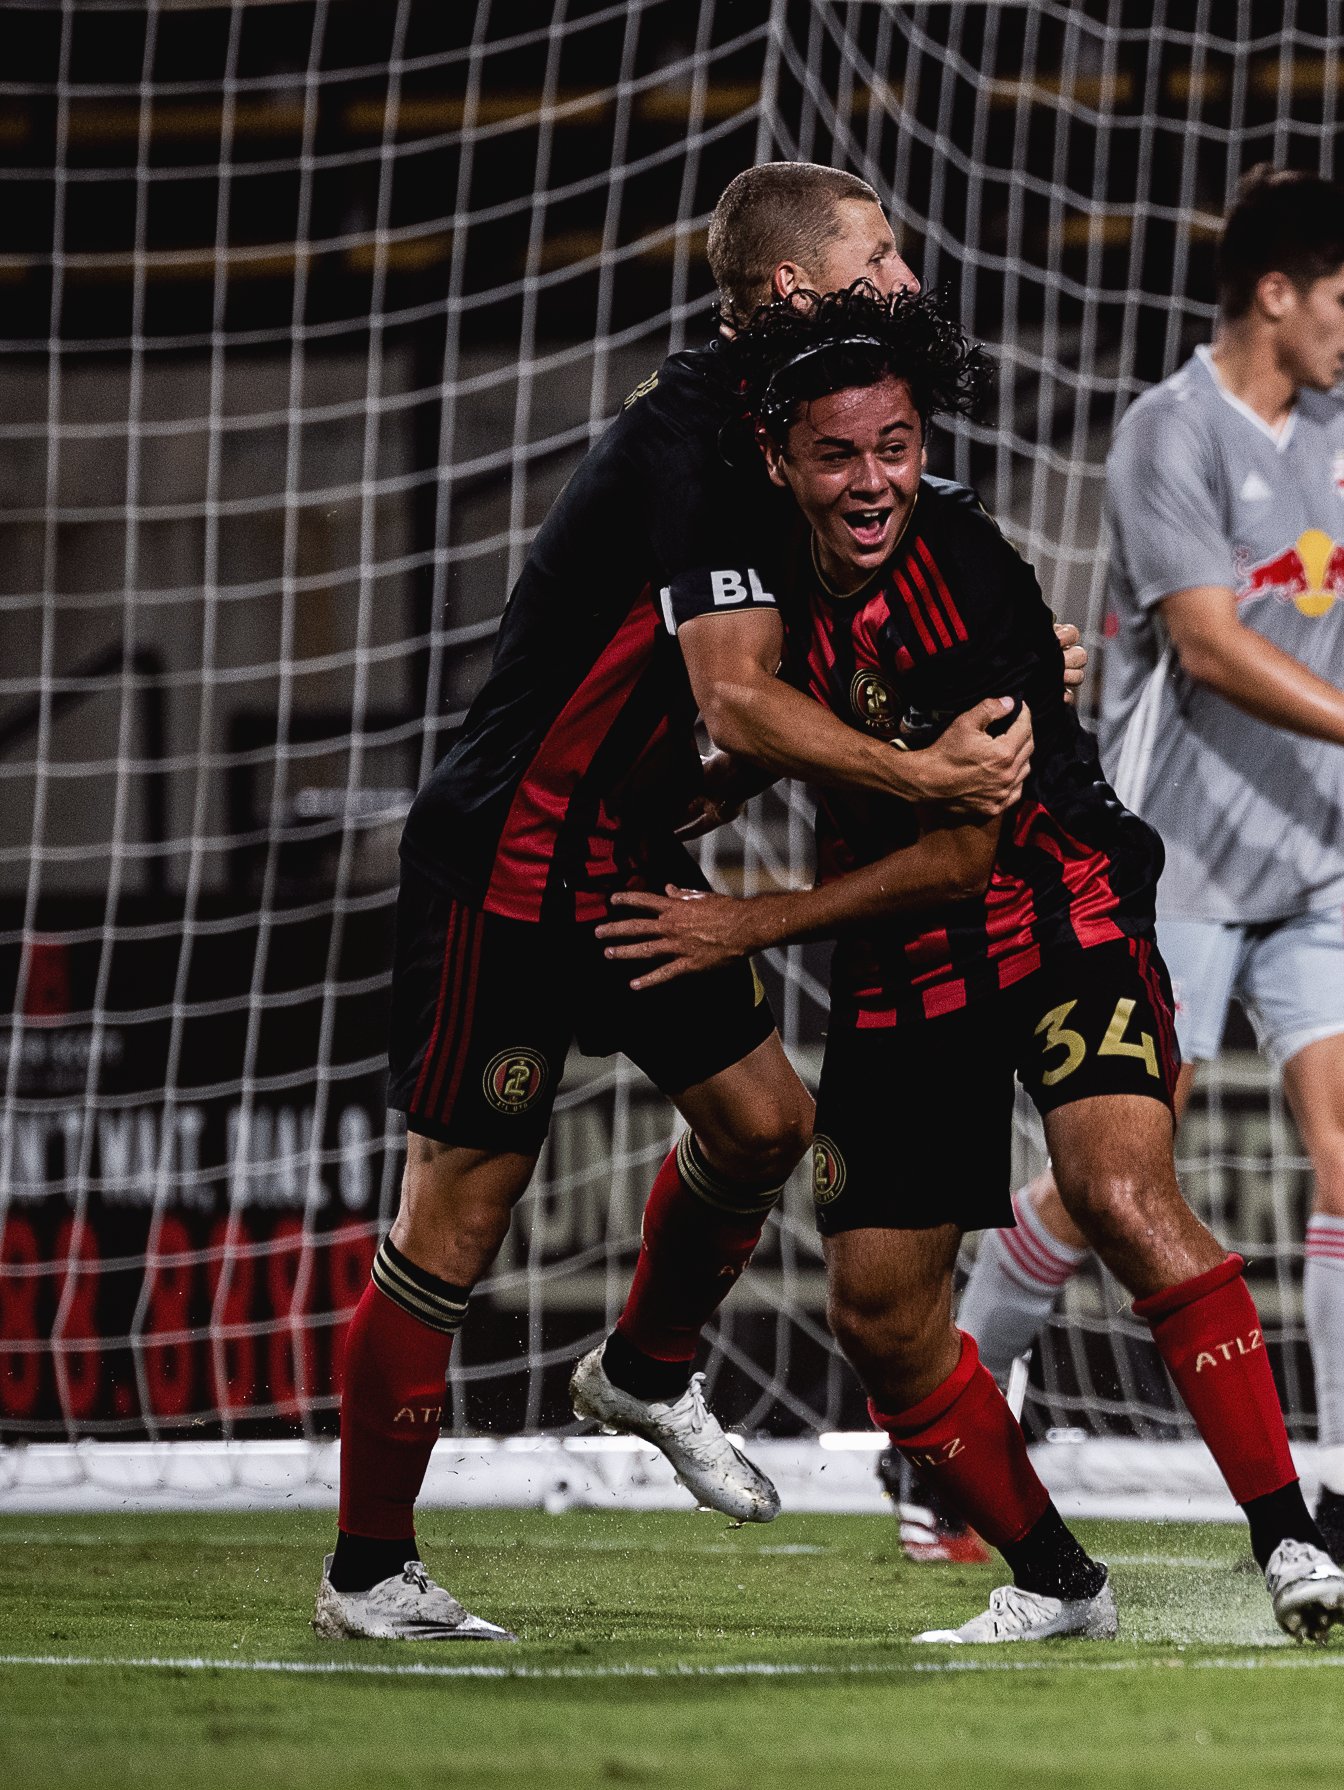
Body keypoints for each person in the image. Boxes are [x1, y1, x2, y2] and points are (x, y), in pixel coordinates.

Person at [314, 163, 1061, 1644]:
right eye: (882, 259)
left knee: (765, 1122)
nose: (910, 285)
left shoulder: (803, 428)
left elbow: (724, 713)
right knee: (459, 1216)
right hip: (511, 864)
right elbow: (738, 690)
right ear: (795, 294)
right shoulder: (701, 446)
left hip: (627, 854)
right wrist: (922, 773)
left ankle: (647, 1369)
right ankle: (367, 1570)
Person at [597, 284, 1344, 1644]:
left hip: (1051, 904)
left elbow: (960, 853)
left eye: (895, 445)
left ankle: (1291, 1540)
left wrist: (741, 919)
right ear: (781, 459)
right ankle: (1058, 1580)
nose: (873, 479)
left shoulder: (970, 580)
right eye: (839, 454)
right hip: (899, 950)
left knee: (1116, 1189)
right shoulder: (747, 555)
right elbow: (741, 714)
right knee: (880, 1309)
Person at [948, 167, 1344, 1570]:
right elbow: (1202, 642)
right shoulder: (1162, 434)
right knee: (1105, 1179)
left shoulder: (1337, 424)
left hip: (1322, 855)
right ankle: (945, 1430)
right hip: (1171, 862)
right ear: (1275, 293)